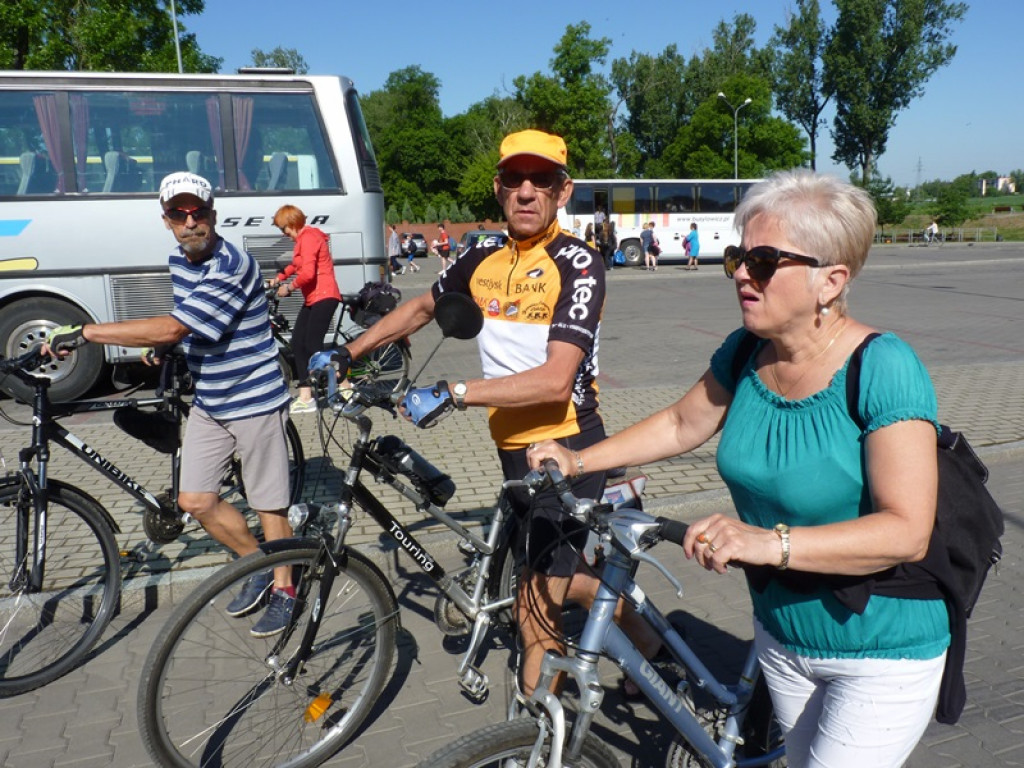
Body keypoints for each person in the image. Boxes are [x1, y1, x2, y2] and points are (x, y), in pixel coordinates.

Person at [528, 169, 948, 766]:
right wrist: (577, 459)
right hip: (781, 637)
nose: (742, 275)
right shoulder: (748, 351)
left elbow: (907, 530)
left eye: (764, 261)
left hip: (880, 648)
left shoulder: (884, 367)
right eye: (738, 258)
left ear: (831, 281)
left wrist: (765, 542)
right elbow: (682, 423)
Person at [336, 129, 659, 697]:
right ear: (498, 187)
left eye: (542, 180)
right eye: (515, 178)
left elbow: (556, 380)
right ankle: (649, 643)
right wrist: (348, 352)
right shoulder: (480, 253)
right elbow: (422, 307)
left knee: (535, 605)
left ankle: (535, 728)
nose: (527, 191)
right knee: (560, 578)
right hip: (513, 450)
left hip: (569, 447)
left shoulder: (579, 263)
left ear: (563, 191)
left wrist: (455, 391)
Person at [46, 172, 296, 636]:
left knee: (269, 504)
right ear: (166, 221)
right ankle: (256, 563)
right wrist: (166, 345)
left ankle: (286, 588)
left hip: (254, 396)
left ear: (213, 215)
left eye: (198, 212)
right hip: (211, 398)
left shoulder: (231, 263)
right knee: (194, 500)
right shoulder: (180, 261)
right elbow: (190, 324)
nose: (190, 222)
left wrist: (87, 332)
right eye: (179, 214)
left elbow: (176, 325)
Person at [269, 204, 342, 415]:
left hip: (324, 295)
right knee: (298, 344)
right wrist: (278, 278)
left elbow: (308, 273)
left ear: (291, 223)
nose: (283, 233)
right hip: (313, 298)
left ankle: (344, 383)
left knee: (312, 344)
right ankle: (305, 397)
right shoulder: (302, 239)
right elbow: (296, 265)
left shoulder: (309, 237)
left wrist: (289, 287)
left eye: (283, 228)